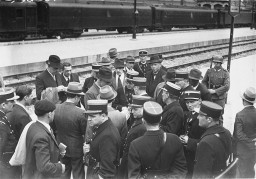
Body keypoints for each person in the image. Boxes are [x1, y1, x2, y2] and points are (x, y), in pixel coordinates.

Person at [128, 101, 187, 178]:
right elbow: (181, 170)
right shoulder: (174, 140)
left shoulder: (135, 144)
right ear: (161, 119)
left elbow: (134, 176)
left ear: (143, 121)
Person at [23, 100, 65, 179]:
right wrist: (61, 167)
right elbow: (44, 166)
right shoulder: (41, 136)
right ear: (49, 114)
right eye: (53, 112)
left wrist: (57, 152)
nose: (54, 114)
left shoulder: (33, 126)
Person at [53, 82, 87, 179]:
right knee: (78, 174)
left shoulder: (56, 108)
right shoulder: (80, 112)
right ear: (76, 97)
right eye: (79, 97)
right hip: (76, 149)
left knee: (64, 172)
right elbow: (84, 132)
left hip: (61, 146)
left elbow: (54, 127)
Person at [193, 101, 232, 179]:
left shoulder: (206, 143)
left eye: (200, 115)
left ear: (209, 119)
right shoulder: (227, 133)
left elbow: (201, 175)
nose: (197, 117)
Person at [83, 100, 121, 179]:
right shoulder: (102, 127)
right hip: (94, 170)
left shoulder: (108, 135)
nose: (89, 119)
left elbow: (107, 171)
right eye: (88, 116)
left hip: (98, 173)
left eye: (92, 116)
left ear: (103, 116)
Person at [118, 95, 149, 179]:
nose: (132, 112)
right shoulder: (137, 121)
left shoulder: (143, 127)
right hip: (127, 162)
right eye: (132, 109)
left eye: (135, 109)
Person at [179, 90, 205, 178]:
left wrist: (189, 141)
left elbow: (206, 140)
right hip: (189, 154)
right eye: (187, 102)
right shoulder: (190, 113)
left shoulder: (203, 117)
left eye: (192, 102)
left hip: (198, 155)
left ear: (200, 101)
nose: (189, 105)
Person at [97, 85, 128, 157]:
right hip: (115, 152)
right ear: (113, 99)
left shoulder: (95, 115)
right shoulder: (121, 116)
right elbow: (123, 138)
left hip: (99, 152)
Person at [233, 87, 256, 178]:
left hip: (242, 150)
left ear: (244, 100)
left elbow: (238, 134)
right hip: (254, 150)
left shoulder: (240, 115)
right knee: (250, 170)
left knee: (241, 172)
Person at [202, 55, 230, 124]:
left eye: (218, 63)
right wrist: (207, 90)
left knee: (219, 116)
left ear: (221, 63)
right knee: (209, 115)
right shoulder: (209, 71)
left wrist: (215, 91)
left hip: (220, 98)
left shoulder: (225, 73)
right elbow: (204, 82)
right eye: (215, 62)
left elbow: (227, 86)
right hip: (210, 97)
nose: (216, 64)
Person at [0, 87, 20, 179]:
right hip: (6, 165)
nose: (14, 104)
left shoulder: (3, 117)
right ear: (3, 105)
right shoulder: (1, 123)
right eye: (11, 102)